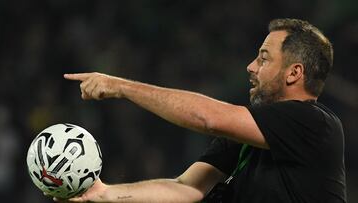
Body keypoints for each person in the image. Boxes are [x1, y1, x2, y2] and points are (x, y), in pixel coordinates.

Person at [59, 18, 346, 202]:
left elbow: (208, 118)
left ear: (294, 73)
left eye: (263, 59)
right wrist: (103, 193)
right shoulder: (248, 138)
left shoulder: (316, 125)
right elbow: (187, 188)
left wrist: (122, 87)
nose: (250, 67)